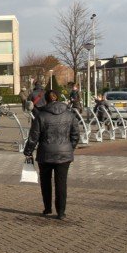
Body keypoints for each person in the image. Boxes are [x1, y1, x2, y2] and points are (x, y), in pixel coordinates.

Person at [23, 89, 80, 219]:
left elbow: (34, 136)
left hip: (45, 153)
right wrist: (69, 148)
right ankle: (61, 212)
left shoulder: (41, 115)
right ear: (58, 98)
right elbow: (76, 135)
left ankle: (47, 208)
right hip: (64, 154)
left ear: (46, 100)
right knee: (61, 183)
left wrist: (28, 151)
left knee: (45, 182)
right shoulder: (70, 114)